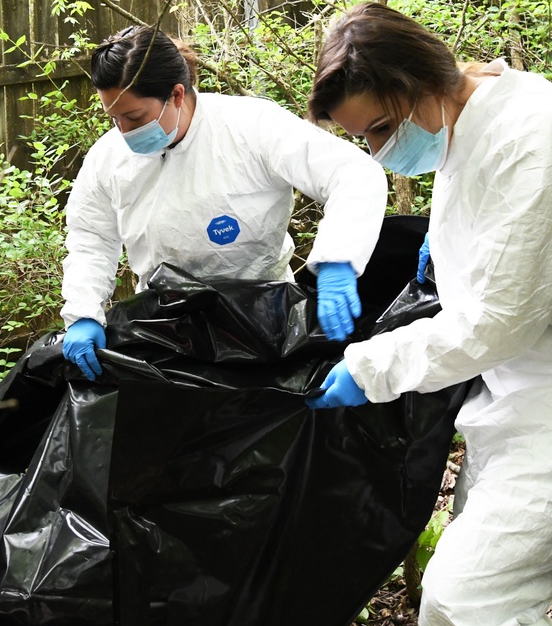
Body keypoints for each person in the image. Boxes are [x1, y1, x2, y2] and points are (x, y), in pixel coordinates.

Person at [305, 2, 552, 626]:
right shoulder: (470, 122)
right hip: (519, 397)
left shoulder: (533, 139)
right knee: (473, 608)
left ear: (420, 79)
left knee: (467, 603)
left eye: (381, 129)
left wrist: (370, 367)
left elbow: (499, 318)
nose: (379, 151)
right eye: (363, 139)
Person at [60, 25, 388, 379]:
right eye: (115, 117)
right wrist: (82, 314)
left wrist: (336, 262)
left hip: (268, 328)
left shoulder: (250, 126)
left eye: (135, 117)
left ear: (177, 94)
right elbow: (91, 239)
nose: (124, 131)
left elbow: (352, 173)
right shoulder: (107, 158)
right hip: (165, 333)